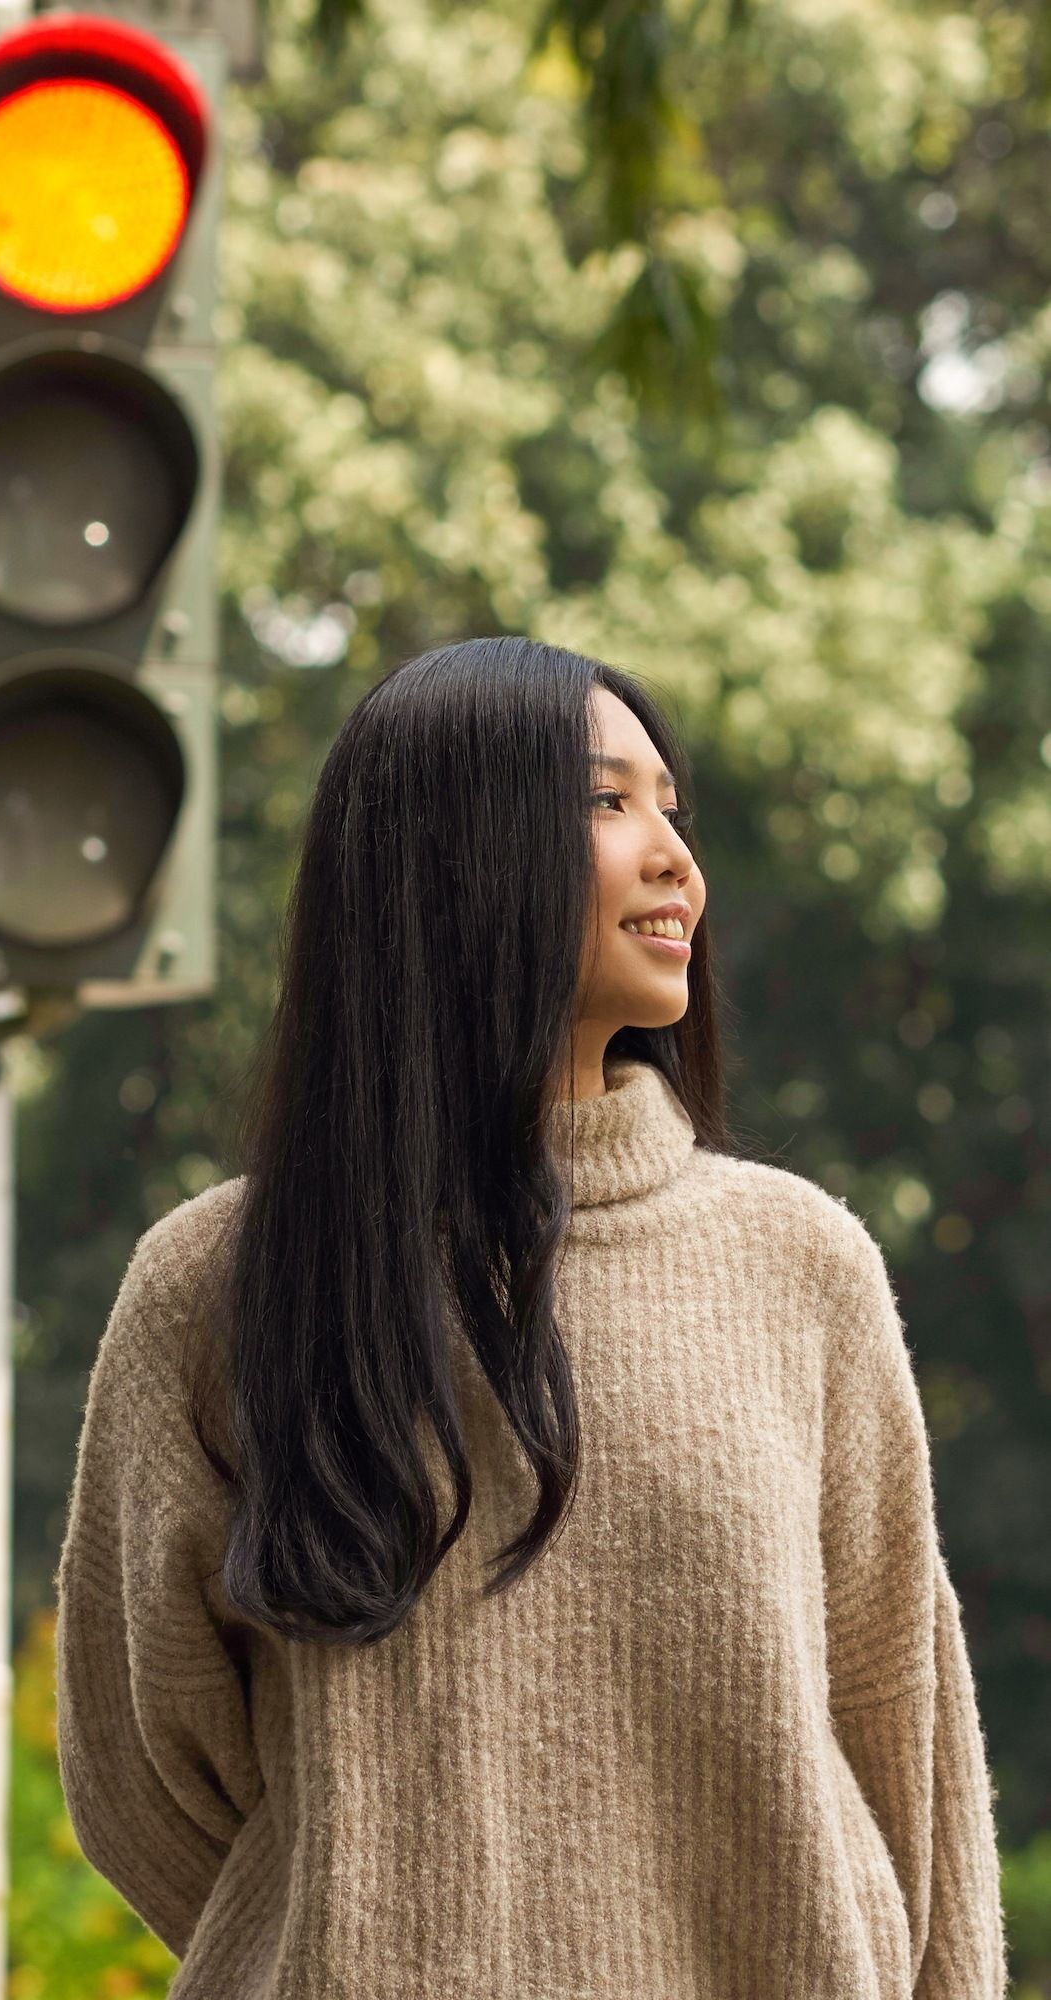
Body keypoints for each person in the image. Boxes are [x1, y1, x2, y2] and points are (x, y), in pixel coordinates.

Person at [54, 638, 1007, 1998]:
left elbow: (909, 1756)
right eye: (606, 802)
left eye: (671, 809)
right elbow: (140, 1767)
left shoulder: (801, 1268)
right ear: (445, 853)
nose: (675, 856)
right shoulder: (217, 1284)